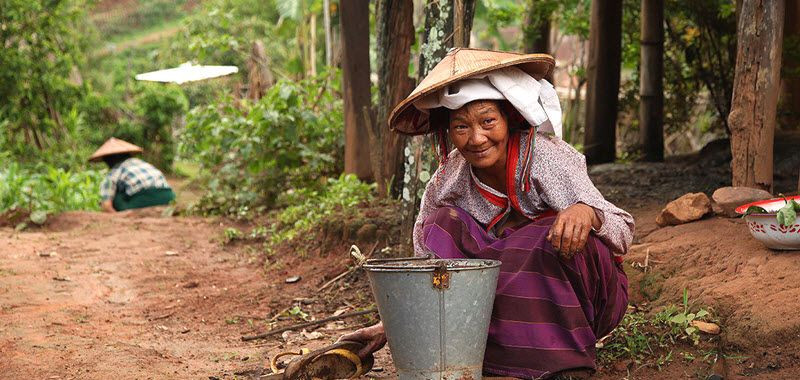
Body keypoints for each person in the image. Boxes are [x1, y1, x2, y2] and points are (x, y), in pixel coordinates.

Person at [340, 49, 634, 379]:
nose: (476, 138)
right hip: (498, 305)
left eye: (488, 121)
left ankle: (562, 364)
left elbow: (622, 228)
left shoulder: (546, 159)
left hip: (580, 295)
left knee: (546, 237)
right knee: (441, 226)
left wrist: (586, 213)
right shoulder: (446, 183)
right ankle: (495, 358)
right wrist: (393, 324)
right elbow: (428, 272)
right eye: (461, 126)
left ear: (509, 117)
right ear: (448, 131)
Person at [89, 137, 176, 213]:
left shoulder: (113, 174)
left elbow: (106, 205)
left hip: (144, 200)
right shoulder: (143, 163)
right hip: (169, 197)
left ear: (108, 161)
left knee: (115, 197)